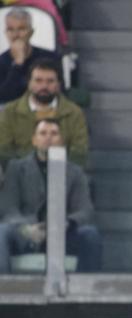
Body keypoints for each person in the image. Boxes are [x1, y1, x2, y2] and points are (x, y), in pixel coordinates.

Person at [0, 118, 100, 273]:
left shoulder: (75, 172)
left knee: (91, 235)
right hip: (26, 232)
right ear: (34, 140)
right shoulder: (16, 168)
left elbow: (85, 210)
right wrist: (26, 228)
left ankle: (84, 292)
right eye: (43, 133)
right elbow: (8, 208)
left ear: (61, 140)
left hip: (62, 234)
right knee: (2, 231)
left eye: (54, 133)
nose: (48, 137)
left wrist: (66, 224)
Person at [0, 59, 88, 167]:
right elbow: (4, 151)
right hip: (21, 177)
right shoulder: (9, 112)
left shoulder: (74, 113)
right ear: (29, 83)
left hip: (63, 174)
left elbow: (79, 153)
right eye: (38, 80)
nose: (44, 86)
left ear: (58, 84)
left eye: (50, 81)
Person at [0, 9, 58, 104]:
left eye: (21, 29)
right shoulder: (1, 61)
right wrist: (18, 64)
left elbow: (57, 92)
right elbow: (4, 97)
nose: (16, 35)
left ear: (31, 32)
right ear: (6, 33)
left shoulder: (50, 57)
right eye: (10, 29)